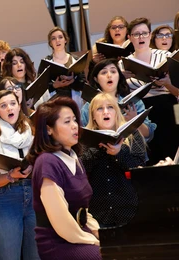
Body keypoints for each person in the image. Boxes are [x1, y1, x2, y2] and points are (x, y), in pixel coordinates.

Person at [26, 96, 101, 260]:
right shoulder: (47, 162)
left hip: (79, 233)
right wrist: (93, 241)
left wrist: (97, 233)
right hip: (58, 242)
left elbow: (83, 211)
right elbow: (62, 223)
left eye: (75, 120)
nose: (75, 126)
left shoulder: (74, 156)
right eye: (67, 122)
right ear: (49, 129)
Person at [0, 90, 39, 260]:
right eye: (3, 106)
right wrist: (10, 175)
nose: (9, 108)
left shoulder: (32, 132)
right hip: (6, 199)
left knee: (35, 256)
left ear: (19, 106)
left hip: (34, 195)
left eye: (13, 103)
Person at [81, 93, 146, 227]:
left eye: (110, 107)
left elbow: (140, 169)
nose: (105, 112)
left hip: (129, 210)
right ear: (93, 115)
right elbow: (80, 169)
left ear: (116, 112)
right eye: (99, 109)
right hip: (98, 212)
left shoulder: (133, 135)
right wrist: (98, 147)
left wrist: (118, 153)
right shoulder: (84, 140)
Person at [122, 17, 179, 165]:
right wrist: (122, 79)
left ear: (149, 35)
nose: (141, 37)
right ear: (129, 37)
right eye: (136, 34)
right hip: (141, 110)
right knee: (149, 154)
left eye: (144, 33)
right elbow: (121, 95)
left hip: (166, 106)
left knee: (170, 150)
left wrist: (166, 83)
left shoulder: (164, 56)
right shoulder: (123, 63)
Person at [81, 59, 156, 142]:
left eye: (113, 71)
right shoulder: (88, 107)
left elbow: (149, 135)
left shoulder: (134, 102)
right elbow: (84, 137)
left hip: (132, 149)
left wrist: (134, 121)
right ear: (96, 79)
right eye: (104, 72)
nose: (109, 75)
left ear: (119, 76)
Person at [45, 27, 86, 108]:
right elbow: (41, 87)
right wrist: (54, 85)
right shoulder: (46, 62)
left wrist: (73, 81)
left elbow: (83, 84)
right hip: (55, 104)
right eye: (53, 38)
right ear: (50, 43)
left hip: (74, 102)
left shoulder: (75, 60)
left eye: (60, 37)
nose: (57, 40)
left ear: (65, 40)